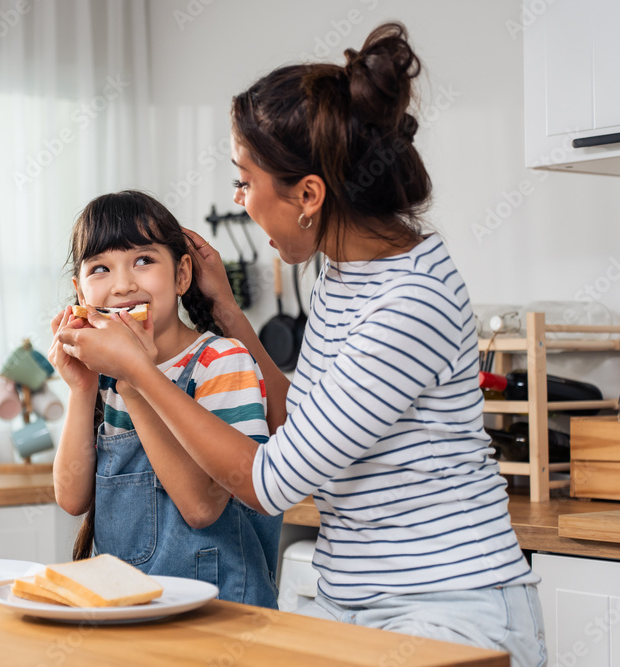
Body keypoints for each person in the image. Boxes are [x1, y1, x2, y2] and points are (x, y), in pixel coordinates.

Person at [56, 22, 547, 666]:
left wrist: (140, 375)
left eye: (245, 181)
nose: (239, 199)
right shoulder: (346, 270)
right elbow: (297, 417)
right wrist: (228, 313)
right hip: (355, 602)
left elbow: (269, 480)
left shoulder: (410, 302)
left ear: (308, 195)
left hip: (444, 608)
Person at [48, 190, 283, 609]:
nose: (123, 285)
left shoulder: (221, 361)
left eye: (143, 260)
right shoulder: (102, 378)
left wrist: (135, 380)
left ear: (182, 275)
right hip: (130, 616)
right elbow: (70, 498)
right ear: (81, 294)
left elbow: (200, 508)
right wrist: (81, 390)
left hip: (222, 620)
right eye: (100, 268)